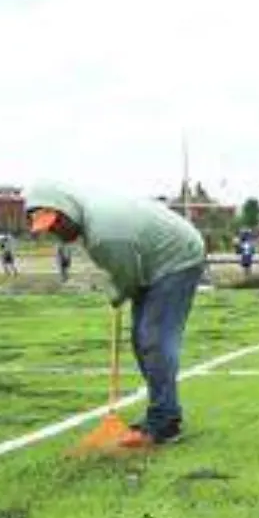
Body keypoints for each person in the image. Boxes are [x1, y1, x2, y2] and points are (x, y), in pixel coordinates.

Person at [25, 183, 208, 448]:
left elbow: (127, 278)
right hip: (152, 262)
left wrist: (117, 292)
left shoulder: (103, 234)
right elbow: (126, 272)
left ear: (67, 211)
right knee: (141, 339)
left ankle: (165, 422)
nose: (55, 231)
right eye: (48, 228)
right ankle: (163, 409)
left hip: (177, 258)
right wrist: (120, 286)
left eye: (56, 223)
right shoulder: (91, 221)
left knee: (154, 339)